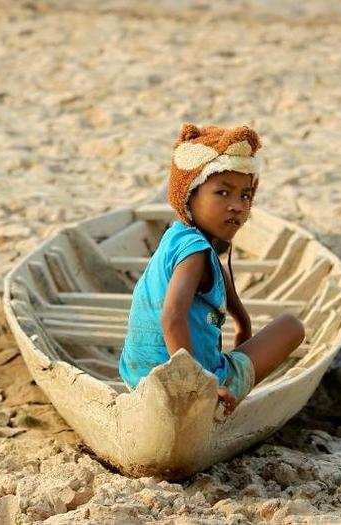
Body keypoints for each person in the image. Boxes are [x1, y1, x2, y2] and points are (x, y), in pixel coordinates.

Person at [118, 123, 305, 415]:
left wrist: (242, 322)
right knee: (292, 327)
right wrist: (197, 386)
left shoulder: (179, 235)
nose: (237, 206)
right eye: (222, 193)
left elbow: (218, 277)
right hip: (182, 385)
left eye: (245, 196)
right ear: (189, 195)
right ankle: (213, 387)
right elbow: (172, 317)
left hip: (137, 375)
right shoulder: (196, 254)